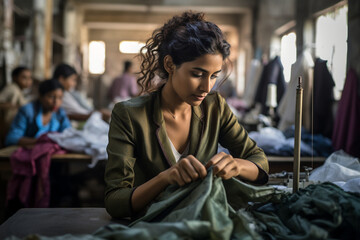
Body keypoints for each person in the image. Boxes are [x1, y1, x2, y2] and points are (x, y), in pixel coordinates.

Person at [105, 11, 269, 219]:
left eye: (214, 76)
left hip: (203, 222)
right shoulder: (129, 115)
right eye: (197, 74)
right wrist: (165, 178)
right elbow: (115, 200)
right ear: (169, 65)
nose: (206, 87)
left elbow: (260, 161)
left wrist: (237, 166)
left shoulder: (215, 107)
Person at [5, 79, 71, 147]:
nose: (56, 102)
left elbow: (68, 133)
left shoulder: (60, 113)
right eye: (51, 97)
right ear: (40, 96)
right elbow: (12, 138)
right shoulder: (27, 111)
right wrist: (41, 141)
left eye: (60, 98)